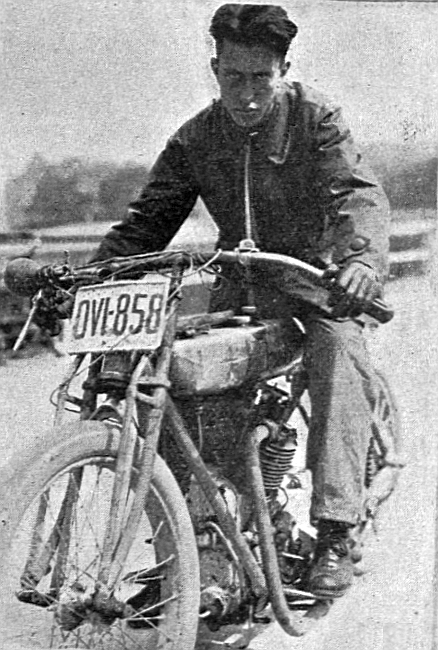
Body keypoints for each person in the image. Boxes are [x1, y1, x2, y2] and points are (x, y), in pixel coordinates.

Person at [91, 4, 390, 600]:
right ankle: (188, 546)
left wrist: (359, 262)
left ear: (284, 71)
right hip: (240, 287)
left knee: (338, 353)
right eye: (234, 78)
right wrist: (93, 278)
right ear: (215, 70)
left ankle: (335, 530)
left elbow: (356, 195)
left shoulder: (317, 118)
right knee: (167, 376)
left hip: (317, 281)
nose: (247, 95)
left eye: (261, 78)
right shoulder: (195, 138)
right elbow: (147, 223)